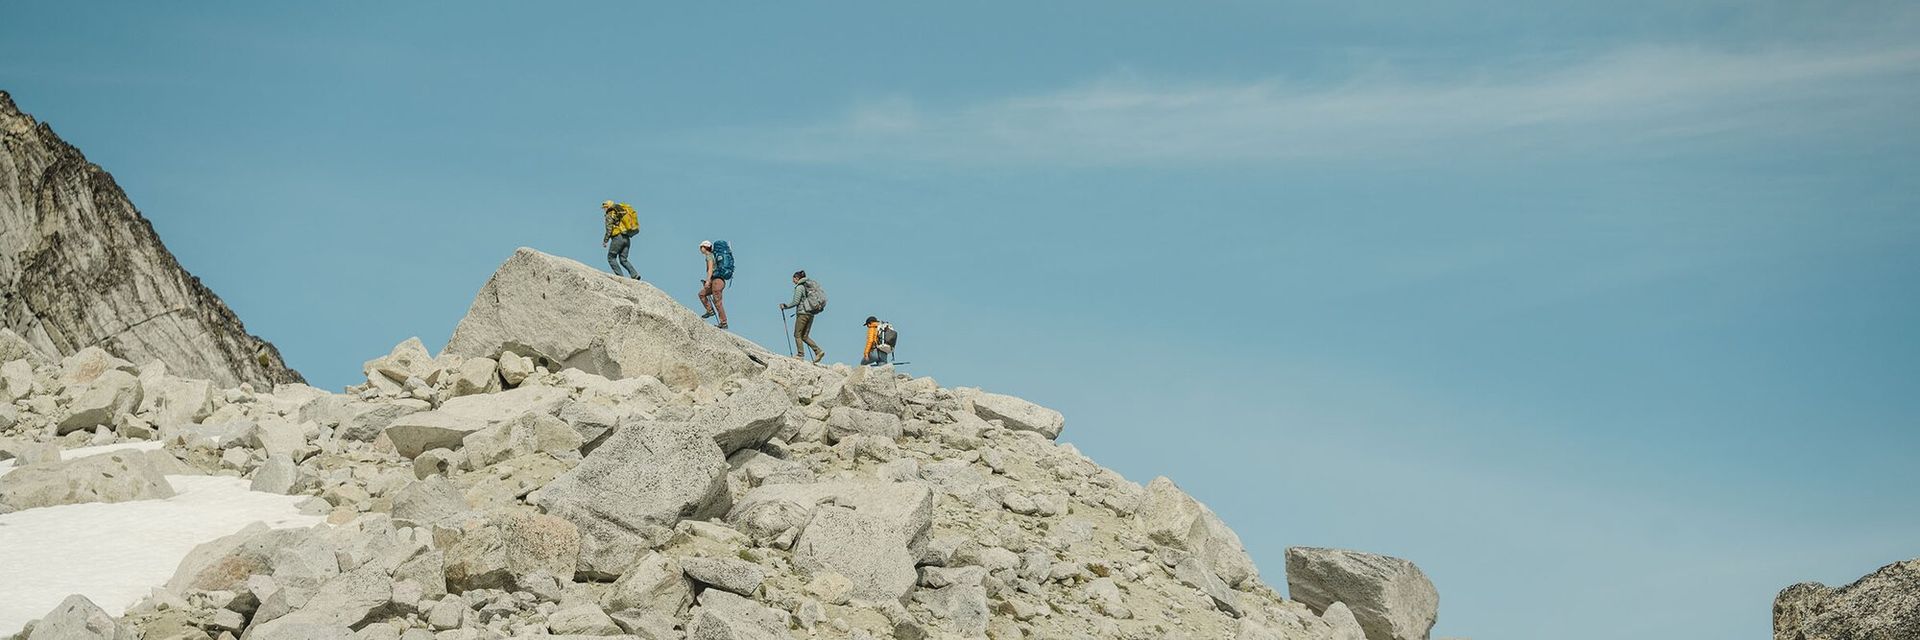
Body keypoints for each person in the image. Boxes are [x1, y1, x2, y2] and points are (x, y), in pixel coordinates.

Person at [779, 270, 825, 363]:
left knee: (797, 334)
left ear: (797, 278)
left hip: (802, 314)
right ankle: (818, 351)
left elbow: (796, 301)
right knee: (804, 336)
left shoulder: (799, 287)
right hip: (811, 314)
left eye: (793, 279)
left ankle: (800, 355)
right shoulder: (807, 286)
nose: (793, 281)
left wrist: (785, 306)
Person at [600, 200, 640, 279]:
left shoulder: (610, 214)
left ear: (608, 207)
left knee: (611, 257)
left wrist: (605, 241)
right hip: (627, 238)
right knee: (623, 259)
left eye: (605, 207)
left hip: (618, 238)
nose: (604, 209)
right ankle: (635, 275)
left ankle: (620, 277)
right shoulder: (620, 213)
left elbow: (609, 229)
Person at [697, 240, 729, 329]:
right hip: (716, 281)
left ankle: (724, 322)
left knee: (717, 302)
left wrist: (707, 281)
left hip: (717, 282)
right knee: (702, 294)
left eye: (701, 247)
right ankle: (710, 311)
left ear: (705, 247)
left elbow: (710, 269)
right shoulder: (711, 256)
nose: (700, 249)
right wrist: (708, 281)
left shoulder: (709, 256)